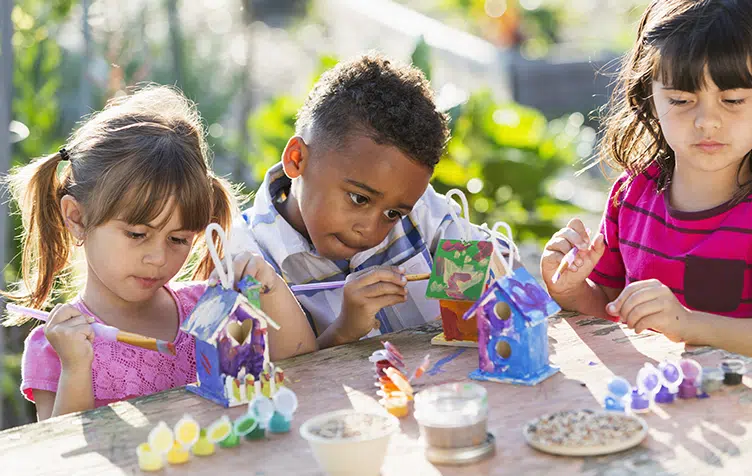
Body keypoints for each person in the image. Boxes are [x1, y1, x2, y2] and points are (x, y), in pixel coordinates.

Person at [5, 86, 316, 420]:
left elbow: (303, 365)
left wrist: (270, 284)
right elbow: (57, 458)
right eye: (138, 234)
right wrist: (77, 368)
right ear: (77, 219)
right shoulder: (56, 345)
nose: (157, 258)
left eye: (178, 239)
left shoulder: (208, 306)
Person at [541, 0, 752, 358]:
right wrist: (570, 289)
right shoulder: (630, 196)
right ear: (649, 97)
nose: (706, 121)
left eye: (733, 100)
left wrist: (687, 324)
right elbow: (609, 305)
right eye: (680, 99)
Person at [232, 53, 501, 348]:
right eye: (359, 198)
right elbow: (265, 381)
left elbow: (495, 299)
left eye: (392, 214)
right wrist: (343, 332)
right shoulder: (248, 260)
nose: (370, 230)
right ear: (297, 159)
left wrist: (482, 287)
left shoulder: (424, 213)